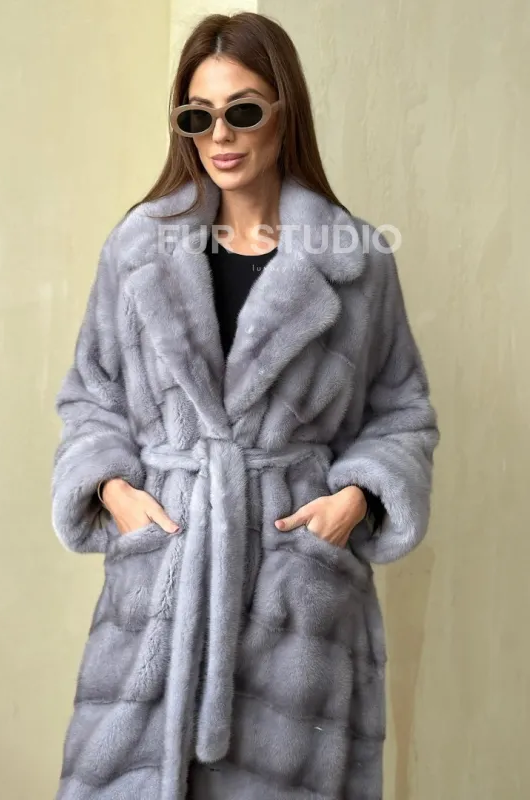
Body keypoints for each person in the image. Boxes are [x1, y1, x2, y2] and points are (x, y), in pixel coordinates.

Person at [51, 11, 440, 800]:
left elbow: (402, 412)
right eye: (198, 117)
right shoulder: (137, 251)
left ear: (284, 112)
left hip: (295, 603)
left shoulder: (354, 262)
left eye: (243, 110)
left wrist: (354, 501)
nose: (220, 135)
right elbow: (91, 396)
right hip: (163, 580)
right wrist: (116, 493)